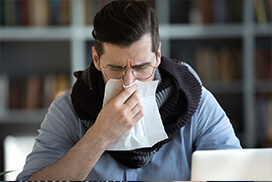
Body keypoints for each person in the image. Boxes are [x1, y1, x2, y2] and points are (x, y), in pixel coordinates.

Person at [16, 0, 241, 181]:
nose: (129, 83)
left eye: (142, 67)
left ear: (158, 55)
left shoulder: (197, 105)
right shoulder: (67, 111)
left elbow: (239, 175)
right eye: (115, 68)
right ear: (96, 58)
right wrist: (100, 135)